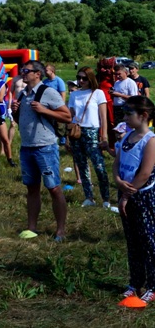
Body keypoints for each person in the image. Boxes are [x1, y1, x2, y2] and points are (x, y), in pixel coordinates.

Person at [12, 61, 72, 241]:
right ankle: (32, 228)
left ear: (37, 74)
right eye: (22, 70)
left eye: (26, 70)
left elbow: (67, 116)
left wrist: (44, 110)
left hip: (45, 147)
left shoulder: (48, 92)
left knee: (53, 188)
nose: (23, 73)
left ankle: (60, 230)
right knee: (32, 188)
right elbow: (22, 120)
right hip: (27, 147)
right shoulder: (23, 94)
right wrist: (15, 112)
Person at [113, 95, 155, 307]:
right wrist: (117, 180)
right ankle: (135, 282)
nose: (125, 117)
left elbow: (145, 173)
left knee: (149, 241)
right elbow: (117, 162)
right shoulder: (127, 137)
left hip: (142, 197)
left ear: (143, 115)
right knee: (133, 242)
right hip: (125, 194)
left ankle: (153, 286)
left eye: (129, 113)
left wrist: (126, 195)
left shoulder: (150, 140)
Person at [69, 66, 111, 208]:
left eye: (84, 78)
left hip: (92, 131)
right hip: (77, 131)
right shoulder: (74, 95)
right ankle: (89, 197)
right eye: (79, 78)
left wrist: (104, 137)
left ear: (90, 78)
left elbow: (103, 117)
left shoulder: (98, 93)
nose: (81, 81)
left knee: (99, 166)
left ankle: (106, 199)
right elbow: (70, 115)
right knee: (82, 166)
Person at [111, 65, 140, 137]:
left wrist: (119, 95)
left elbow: (134, 98)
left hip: (125, 108)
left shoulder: (130, 82)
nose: (117, 76)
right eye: (116, 74)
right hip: (116, 108)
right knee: (118, 129)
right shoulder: (117, 82)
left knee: (126, 129)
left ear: (125, 73)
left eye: (119, 74)